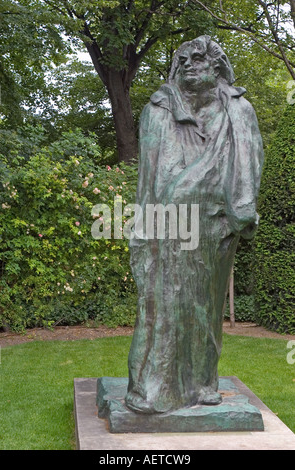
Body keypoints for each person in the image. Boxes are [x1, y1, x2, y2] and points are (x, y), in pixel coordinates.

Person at [125, 35, 264, 414]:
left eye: (198, 59)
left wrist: (236, 209)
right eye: (182, 60)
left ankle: (204, 382)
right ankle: (155, 388)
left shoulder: (239, 111)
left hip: (217, 224)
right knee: (166, 303)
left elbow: (250, 164)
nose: (188, 65)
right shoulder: (159, 109)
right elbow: (152, 178)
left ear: (217, 67)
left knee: (208, 305)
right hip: (170, 227)